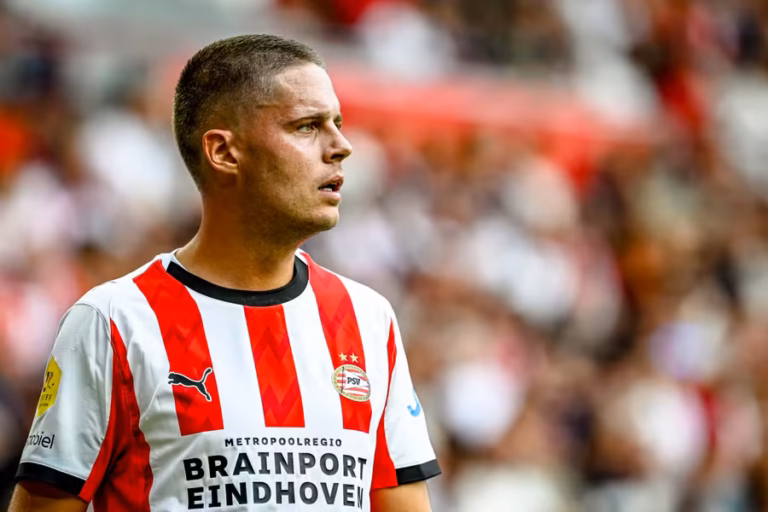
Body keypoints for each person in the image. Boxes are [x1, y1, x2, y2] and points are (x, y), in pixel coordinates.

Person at [8, 34, 440, 512]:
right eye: (306, 126)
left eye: (337, 124)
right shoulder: (113, 321)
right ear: (224, 152)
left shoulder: (368, 318)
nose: (342, 147)